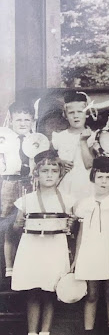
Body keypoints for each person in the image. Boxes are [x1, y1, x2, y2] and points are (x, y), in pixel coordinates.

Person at [12, 149, 75, 335]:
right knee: (33, 291)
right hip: (32, 248)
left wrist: (72, 224)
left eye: (53, 171)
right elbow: (14, 228)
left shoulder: (67, 199)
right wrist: (17, 223)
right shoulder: (26, 200)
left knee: (49, 292)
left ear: (60, 175)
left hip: (54, 248)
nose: (49, 174)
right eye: (45, 171)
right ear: (36, 174)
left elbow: (72, 228)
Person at [72, 156, 109, 335]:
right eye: (100, 176)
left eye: (107, 177)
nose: (103, 181)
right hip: (89, 252)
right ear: (93, 177)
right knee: (91, 295)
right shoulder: (85, 203)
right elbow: (81, 233)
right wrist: (77, 258)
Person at [1, 100, 35, 277]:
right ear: (11, 121)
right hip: (9, 183)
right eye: (19, 120)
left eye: (26, 120)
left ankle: (24, 265)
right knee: (8, 224)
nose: (23, 123)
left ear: (32, 121)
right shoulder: (5, 140)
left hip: (29, 183)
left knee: (25, 223)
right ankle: (9, 267)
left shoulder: (36, 140)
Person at [52, 91, 94, 201]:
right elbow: (50, 159)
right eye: (71, 113)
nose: (76, 116)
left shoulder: (93, 136)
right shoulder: (59, 137)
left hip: (87, 186)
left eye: (80, 112)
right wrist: (59, 161)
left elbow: (89, 164)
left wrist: (83, 141)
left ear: (87, 113)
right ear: (65, 115)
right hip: (65, 185)